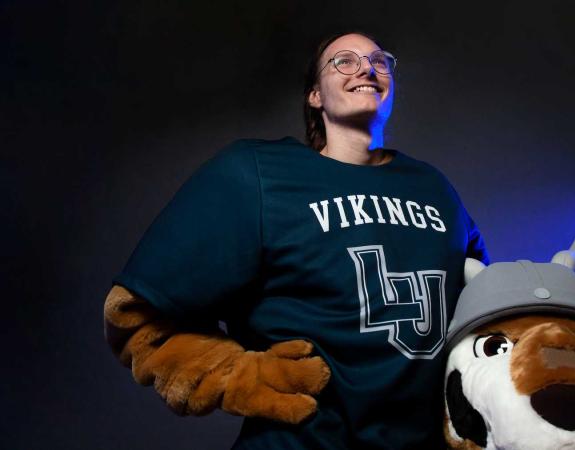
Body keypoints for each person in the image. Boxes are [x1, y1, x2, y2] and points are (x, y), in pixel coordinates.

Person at [104, 31, 489, 449]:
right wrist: (240, 375)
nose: (366, 68)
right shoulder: (255, 174)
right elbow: (133, 315)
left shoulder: (434, 186)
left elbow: (486, 310)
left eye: (379, 61)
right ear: (314, 96)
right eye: (343, 61)